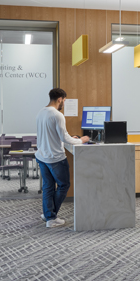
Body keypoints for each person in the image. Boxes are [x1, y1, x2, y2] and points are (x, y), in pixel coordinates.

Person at [35, 88, 88, 228]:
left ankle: (47, 214)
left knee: (48, 187)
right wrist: (81, 140)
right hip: (55, 158)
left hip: (42, 156)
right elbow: (64, 137)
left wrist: (71, 138)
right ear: (60, 99)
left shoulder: (40, 112)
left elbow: (52, 136)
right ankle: (50, 217)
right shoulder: (57, 115)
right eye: (64, 100)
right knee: (64, 185)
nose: (64, 103)